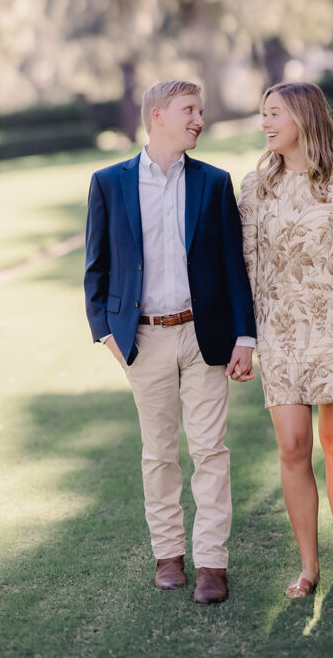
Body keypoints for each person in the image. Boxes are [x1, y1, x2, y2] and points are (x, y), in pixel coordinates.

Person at [84, 79, 256, 605]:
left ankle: (211, 564)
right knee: (158, 454)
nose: (198, 119)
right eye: (189, 110)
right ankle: (168, 556)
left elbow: (234, 267)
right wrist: (108, 335)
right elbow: (96, 271)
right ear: (157, 115)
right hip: (143, 340)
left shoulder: (213, 182)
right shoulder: (109, 183)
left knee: (210, 452)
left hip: (206, 337)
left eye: (200, 110)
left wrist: (245, 335)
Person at [238, 81, 333, 598]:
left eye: (273, 113)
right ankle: (309, 567)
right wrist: (246, 338)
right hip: (280, 333)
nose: (265, 123)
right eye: (263, 114)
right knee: (292, 446)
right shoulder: (256, 189)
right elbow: (247, 268)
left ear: (303, 117)